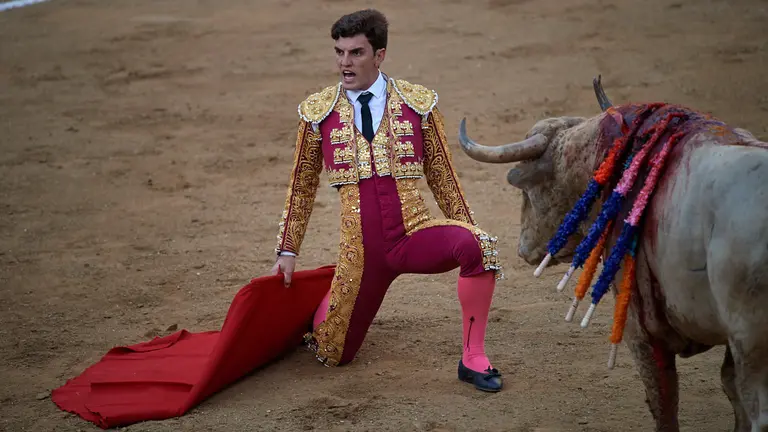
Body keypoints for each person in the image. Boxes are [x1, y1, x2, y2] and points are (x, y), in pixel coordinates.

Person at [270, 9, 504, 392]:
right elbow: (301, 185)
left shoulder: (417, 104)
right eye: (339, 52)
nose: (345, 63)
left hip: (413, 235)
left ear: (379, 55)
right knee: (333, 353)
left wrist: (466, 226)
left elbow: (443, 177)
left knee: (480, 246)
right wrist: (288, 249)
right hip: (359, 256)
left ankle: (473, 358)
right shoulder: (317, 113)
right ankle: (325, 300)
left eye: (356, 53)